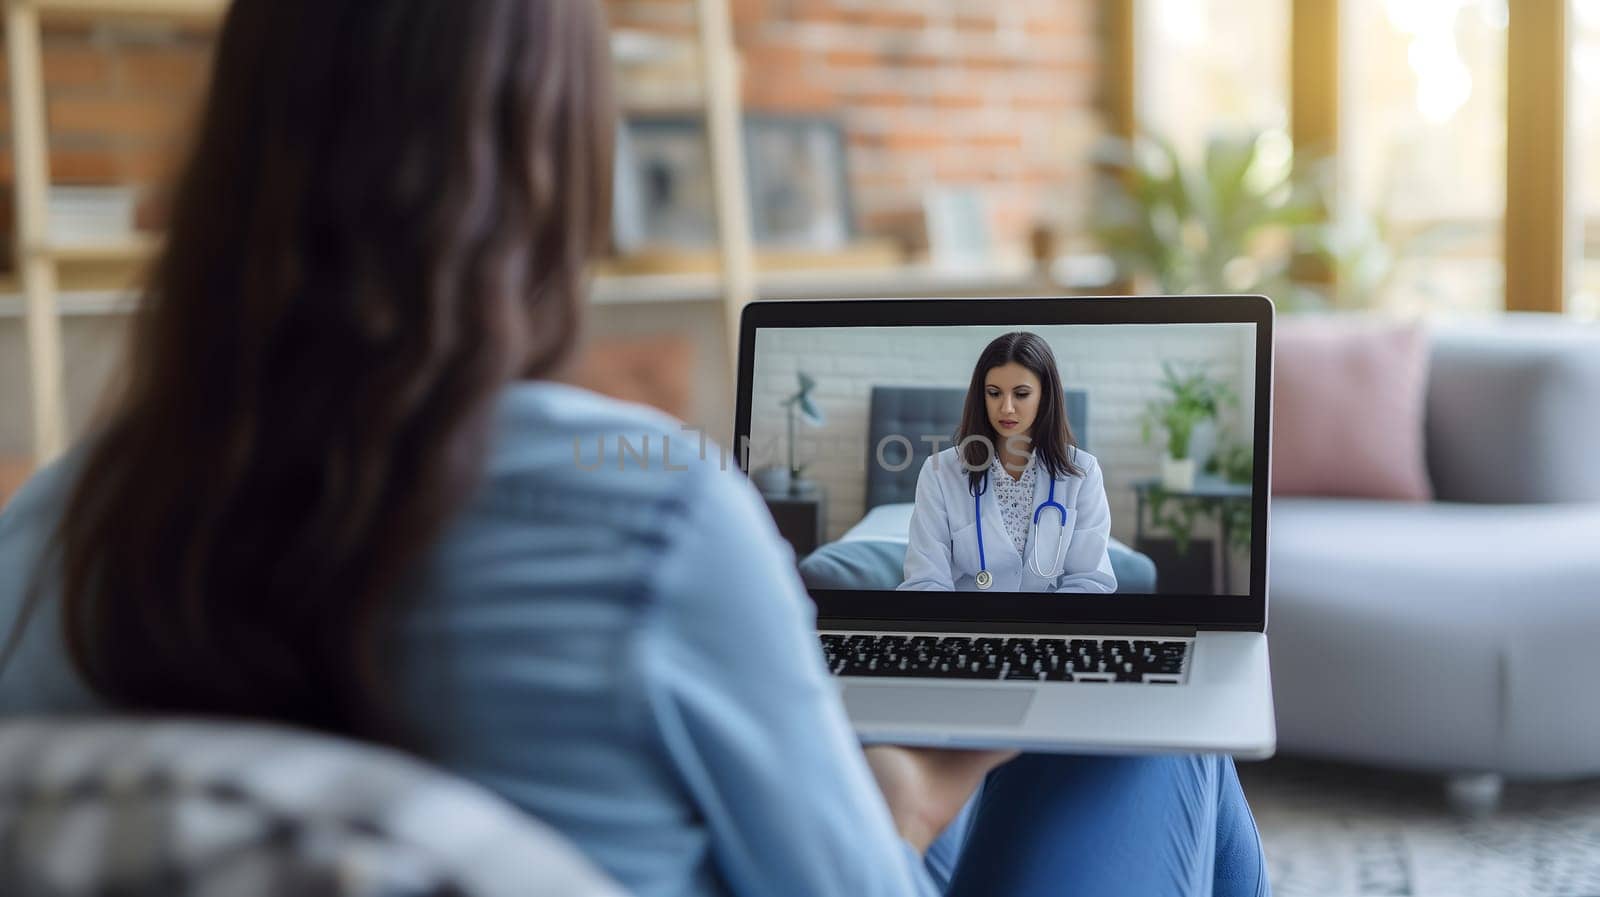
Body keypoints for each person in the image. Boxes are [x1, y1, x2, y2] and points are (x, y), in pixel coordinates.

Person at [0, 2, 1267, 895]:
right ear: (551, 171)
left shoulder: (47, 539)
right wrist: (911, 796)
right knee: (1149, 732)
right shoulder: (653, 524)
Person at [900, 332, 1117, 593]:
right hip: (963, 626)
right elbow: (926, 581)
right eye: (994, 393)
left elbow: (1089, 581)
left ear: (1045, 396)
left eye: (1021, 394)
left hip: (1050, 627)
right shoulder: (940, 472)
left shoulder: (1083, 472)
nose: (1006, 408)